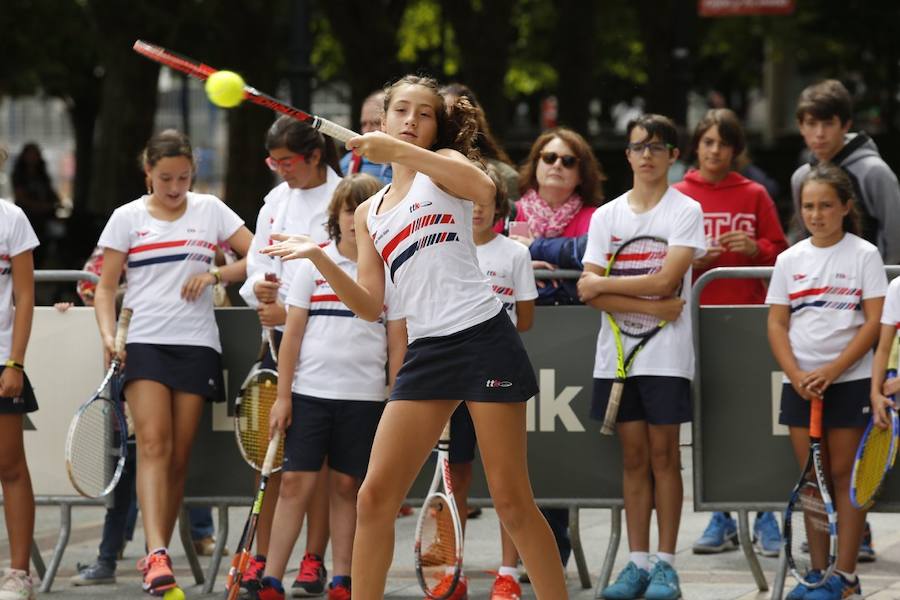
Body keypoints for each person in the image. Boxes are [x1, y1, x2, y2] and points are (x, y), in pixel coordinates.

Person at [262, 74, 568, 600]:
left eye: (423, 114)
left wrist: (402, 152)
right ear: (382, 120)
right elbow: (369, 305)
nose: (410, 121)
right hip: (427, 352)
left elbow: (485, 189)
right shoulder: (369, 211)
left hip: (482, 338)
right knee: (374, 496)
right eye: (400, 110)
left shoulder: (445, 174)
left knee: (513, 501)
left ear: (436, 127)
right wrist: (317, 256)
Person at [93, 129, 252, 595]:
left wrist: (215, 274)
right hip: (143, 340)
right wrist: (108, 334)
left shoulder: (210, 210)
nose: (175, 187)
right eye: (165, 178)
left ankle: (156, 554)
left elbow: (257, 252)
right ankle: (156, 553)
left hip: (197, 342)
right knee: (154, 445)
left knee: (179, 456)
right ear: (148, 173)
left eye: (184, 177)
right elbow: (105, 287)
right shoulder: (126, 217)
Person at [256, 173, 406, 600]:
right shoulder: (312, 265)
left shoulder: (391, 274)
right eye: (348, 211)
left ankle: (343, 578)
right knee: (294, 486)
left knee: (347, 489)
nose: (356, 222)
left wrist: (394, 401)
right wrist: (284, 397)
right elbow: (293, 338)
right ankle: (271, 578)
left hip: (364, 400)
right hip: (309, 396)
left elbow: (398, 345)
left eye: (367, 213)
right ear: (336, 218)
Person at [578, 114, 705, 600]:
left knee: (664, 457)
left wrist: (606, 283)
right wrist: (651, 305)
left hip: (667, 359)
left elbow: (665, 281)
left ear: (673, 156)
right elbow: (591, 295)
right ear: (627, 155)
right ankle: (636, 564)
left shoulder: (684, 210)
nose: (647, 155)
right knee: (632, 460)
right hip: (615, 359)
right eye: (638, 147)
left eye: (657, 147)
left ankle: (666, 566)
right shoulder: (607, 216)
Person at [236, 115, 344, 597]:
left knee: (321, 466)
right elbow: (257, 266)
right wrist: (256, 287)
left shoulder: (346, 200)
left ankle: (314, 560)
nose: (280, 170)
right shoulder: (274, 202)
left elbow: (352, 274)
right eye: (272, 162)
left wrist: (292, 308)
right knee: (288, 463)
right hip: (281, 344)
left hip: (330, 347)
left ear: (315, 156)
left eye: (288, 161)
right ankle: (269, 560)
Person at [767, 163, 886, 599]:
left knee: (845, 478)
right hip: (801, 387)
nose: (816, 214)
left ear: (846, 207)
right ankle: (818, 574)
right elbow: (777, 324)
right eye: (808, 207)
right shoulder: (788, 259)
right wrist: (797, 375)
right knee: (811, 480)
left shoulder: (864, 255)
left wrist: (834, 371)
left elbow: (874, 323)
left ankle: (846, 576)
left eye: (826, 206)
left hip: (851, 383)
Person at [673, 108, 788, 558]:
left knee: (756, 420)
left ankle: (765, 516)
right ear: (696, 147)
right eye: (708, 142)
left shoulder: (755, 194)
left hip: (748, 320)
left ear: (736, 150)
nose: (715, 151)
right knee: (710, 422)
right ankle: (721, 515)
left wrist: (755, 248)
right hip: (696, 321)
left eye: (723, 143)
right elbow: (663, 256)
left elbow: (783, 253)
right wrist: (692, 261)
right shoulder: (680, 195)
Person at [431, 164, 538, 600]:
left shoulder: (514, 254)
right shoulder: (440, 248)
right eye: (468, 201)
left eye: (484, 201)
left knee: (505, 480)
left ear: (498, 205)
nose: (475, 208)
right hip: (449, 376)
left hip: (496, 376)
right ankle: (449, 571)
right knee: (453, 475)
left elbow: (525, 320)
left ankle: (508, 572)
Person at [791, 79, 900, 266]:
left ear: (846, 125)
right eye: (811, 123)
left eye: (828, 123)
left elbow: (895, 236)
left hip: (871, 285)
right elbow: (802, 234)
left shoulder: (874, 172)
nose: (819, 133)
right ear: (801, 126)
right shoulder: (800, 177)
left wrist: (886, 286)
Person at [0, 145, 40, 600]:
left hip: (2, 362)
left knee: (10, 465)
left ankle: (18, 573)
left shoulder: (12, 219)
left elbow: (25, 298)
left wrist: (15, 361)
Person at [511, 128, 605, 305]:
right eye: (549, 157)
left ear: (581, 176)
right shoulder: (509, 212)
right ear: (535, 164)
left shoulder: (596, 218)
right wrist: (517, 270)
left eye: (568, 161)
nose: (557, 165)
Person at [11, 142, 59, 268]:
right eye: (30, 154)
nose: (33, 157)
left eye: (35, 154)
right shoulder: (19, 175)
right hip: (27, 217)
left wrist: (53, 204)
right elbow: (20, 197)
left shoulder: (42, 175)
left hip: (44, 219)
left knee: (44, 245)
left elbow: (52, 194)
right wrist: (40, 206)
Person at [339, 91, 393, 184]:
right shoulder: (349, 164)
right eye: (364, 124)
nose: (367, 130)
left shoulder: (414, 162)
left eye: (376, 123)